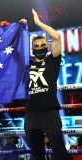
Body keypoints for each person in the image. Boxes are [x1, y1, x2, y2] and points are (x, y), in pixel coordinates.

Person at [22, 9, 71, 160]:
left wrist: (38, 23)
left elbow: (56, 37)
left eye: (43, 44)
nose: (39, 48)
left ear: (47, 46)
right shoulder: (26, 64)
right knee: (37, 155)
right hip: (31, 114)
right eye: (36, 46)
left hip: (50, 112)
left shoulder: (52, 60)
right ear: (32, 49)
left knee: (60, 151)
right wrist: (21, 30)